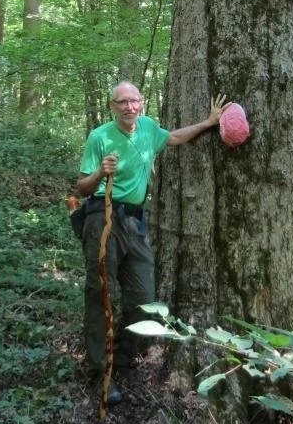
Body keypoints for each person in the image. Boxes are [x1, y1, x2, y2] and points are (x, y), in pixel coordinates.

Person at [75, 81, 228, 405]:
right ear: (112, 106)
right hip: (103, 218)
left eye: (135, 101)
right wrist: (101, 173)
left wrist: (209, 123)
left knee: (143, 297)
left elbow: (173, 137)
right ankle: (100, 374)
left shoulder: (147, 128)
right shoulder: (99, 136)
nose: (130, 107)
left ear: (141, 103)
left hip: (136, 223)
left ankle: (124, 360)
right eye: (122, 102)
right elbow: (82, 188)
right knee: (100, 294)